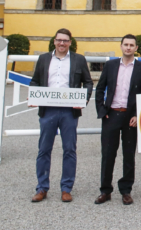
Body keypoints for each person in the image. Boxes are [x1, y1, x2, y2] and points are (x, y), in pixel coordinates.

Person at [29, 28, 93, 203]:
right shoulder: (43, 59)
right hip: (48, 110)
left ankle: (66, 188)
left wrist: (82, 100)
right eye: (59, 40)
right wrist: (34, 95)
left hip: (69, 111)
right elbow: (35, 81)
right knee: (44, 150)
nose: (62, 43)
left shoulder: (78, 59)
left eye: (65, 40)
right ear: (54, 41)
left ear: (70, 43)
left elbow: (88, 82)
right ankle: (42, 188)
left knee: (69, 150)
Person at [94, 34, 141, 205]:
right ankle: (105, 190)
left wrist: (137, 114)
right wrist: (102, 111)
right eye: (125, 44)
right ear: (121, 46)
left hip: (130, 116)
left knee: (128, 155)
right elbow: (100, 89)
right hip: (111, 114)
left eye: (131, 45)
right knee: (108, 154)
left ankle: (126, 190)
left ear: (136, 48)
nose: (128, 47)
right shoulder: (110, 66)